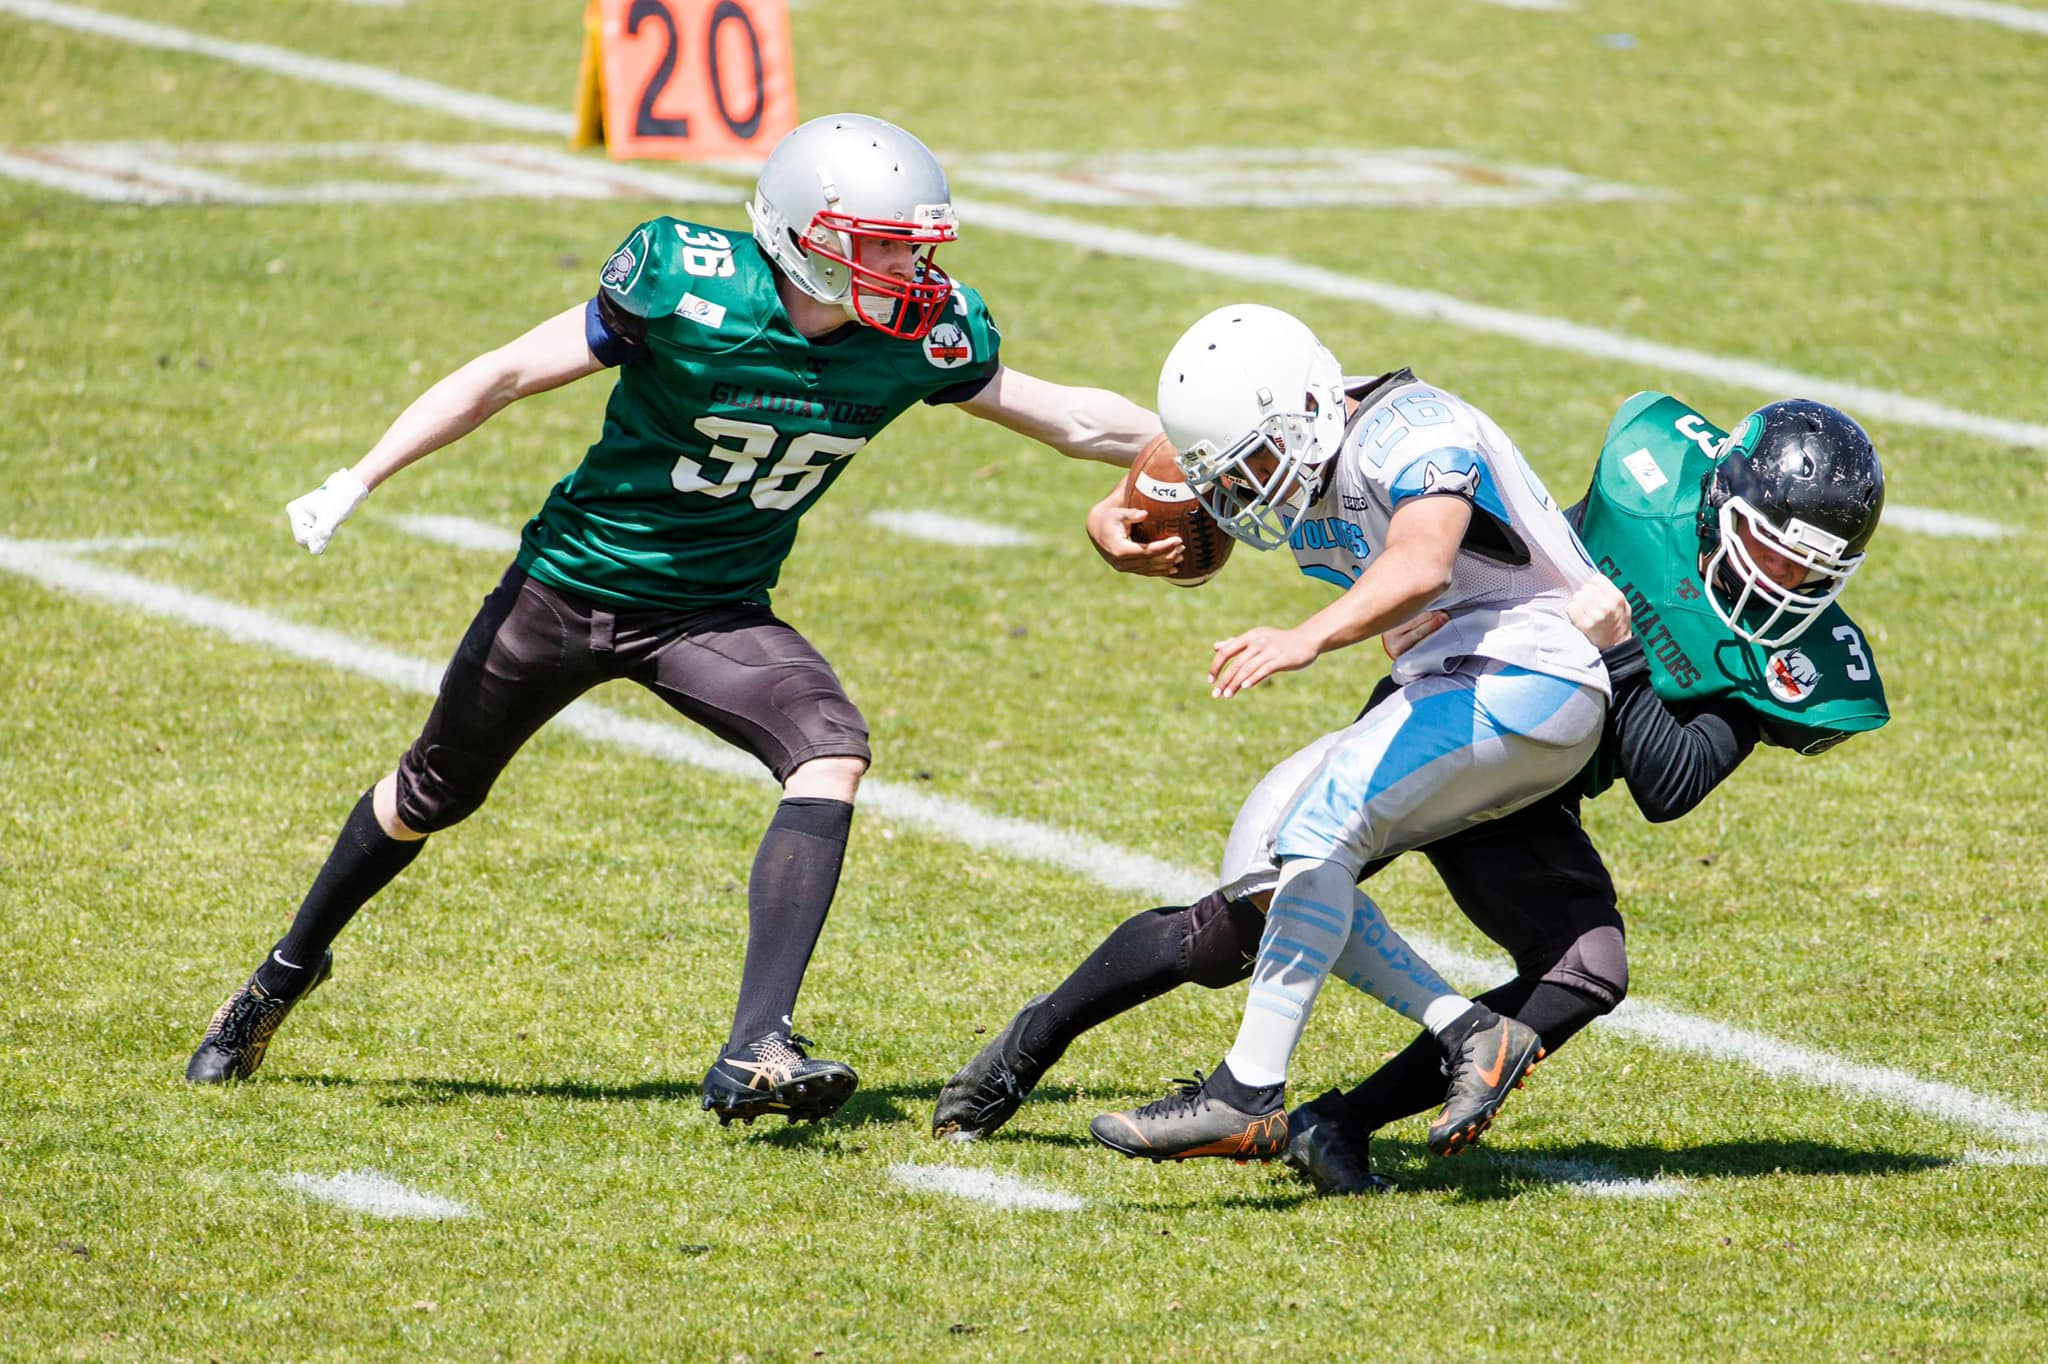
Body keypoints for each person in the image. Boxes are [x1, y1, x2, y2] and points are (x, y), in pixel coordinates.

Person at [183, 113, 1170, 1129]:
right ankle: (279, 974)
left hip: (712, 611)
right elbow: (506, 371)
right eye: (881, 245)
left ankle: (755, 1047)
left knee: (830, 749)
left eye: (915, 246)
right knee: (430, 792)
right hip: (568, 586)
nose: (908, 269)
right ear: (801, 237)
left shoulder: (916, 336)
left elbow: (1075, 419)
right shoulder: (687, 283)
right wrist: (360, 475)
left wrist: (1209, 442)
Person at [934, 391, 1888, 1193]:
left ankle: (1334, 1124)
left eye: (1814, 567)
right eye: (1772, 547)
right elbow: (1282, 422)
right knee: (1241, 925)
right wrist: (1135, 488)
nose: (1784, 580)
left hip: (1543, 766)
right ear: (1719, 497)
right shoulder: (1654, 470)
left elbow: (1668, 781)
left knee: (1587, 967)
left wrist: (1626, 637)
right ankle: (1030, 1043)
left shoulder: (1809, 661)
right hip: (1471, 690)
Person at [1050, 303, 1614, 1164]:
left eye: (1260, 461)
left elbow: (1423, 559)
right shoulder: (1303, 443)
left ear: (1310, 408)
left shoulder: (1411, 430)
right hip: (1455, 682)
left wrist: (1304, 636)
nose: (1251, 491)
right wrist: (1113, 508)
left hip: (1534, 672)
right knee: (1270, 858)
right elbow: (1161, 454)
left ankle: (1245, 1092)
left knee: (1321, 826)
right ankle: (1470, 1031)